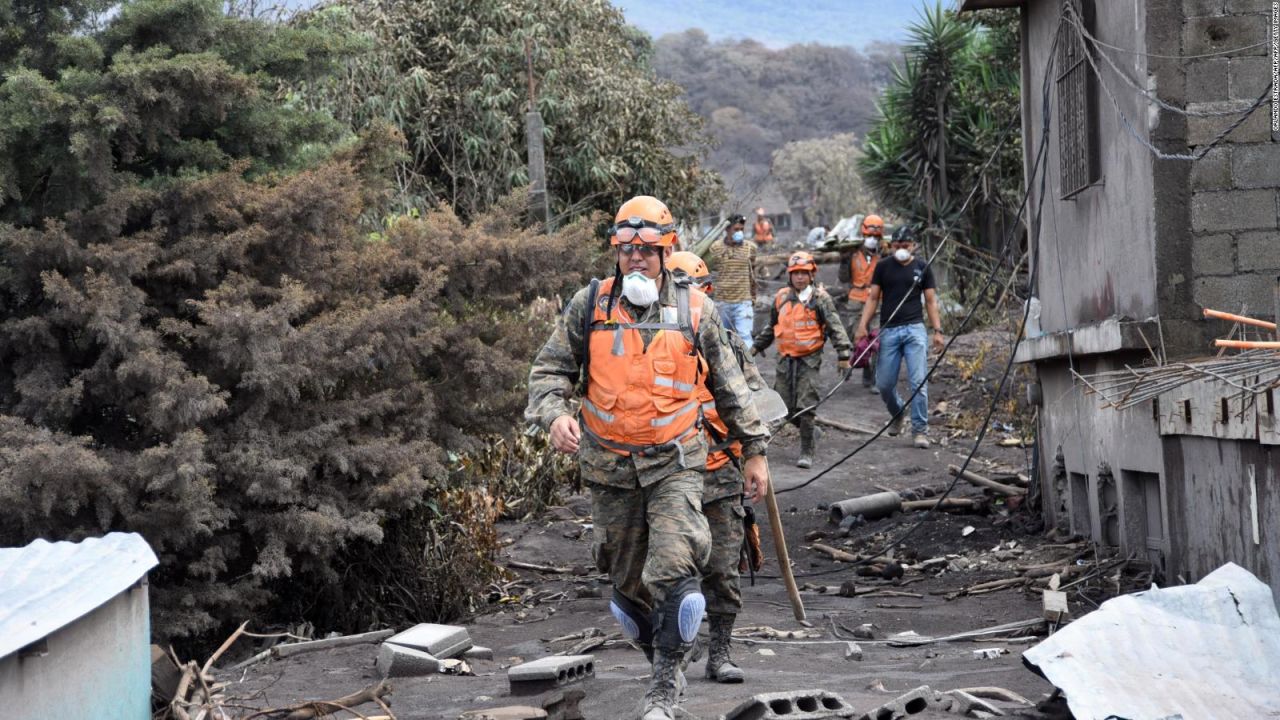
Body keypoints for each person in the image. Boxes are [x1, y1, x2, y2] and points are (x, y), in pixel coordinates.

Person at [526, 197, 770, 720]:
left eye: (648, 250)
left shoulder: (696, 311)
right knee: (626, 592)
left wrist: (754, 452)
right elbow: (548, 373)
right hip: (610, 468)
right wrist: (554, 416)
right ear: (615, 251)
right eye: (626, 250)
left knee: (676, 570)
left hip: (676, 464)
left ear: (666, 250)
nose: (636, 259)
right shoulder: (588, 305)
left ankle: (662, 689)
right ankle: (663, 660)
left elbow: (731, 389)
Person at [668, 251, 762, 684]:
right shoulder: (653, 345)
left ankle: (720, 651)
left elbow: (757, 403)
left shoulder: (731, 344)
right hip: (668, 478)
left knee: (722, 569)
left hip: (722, 471)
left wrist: (756, 455)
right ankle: (674, 654)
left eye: (692, 288)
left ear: (706, 292)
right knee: (673, 572)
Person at [752, 251, 851, 468]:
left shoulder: (820, 299)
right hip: (785, 359)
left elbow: (835, 326)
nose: (799, 277)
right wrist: (756, 347)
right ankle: (812, 430)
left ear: (812, 274)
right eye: (795, 273)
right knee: (785, 408)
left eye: (804, 273)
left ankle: (807, 450)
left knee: (806, 406)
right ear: (789, 275)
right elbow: (772, 326)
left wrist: (843, 354)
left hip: (809, 360)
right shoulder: (781, 298)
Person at [854, 225, 946, 450]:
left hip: (915, 329)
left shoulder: (922, 267)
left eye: (905, 246)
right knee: (884, 384)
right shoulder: (883, 267)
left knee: (918, 382)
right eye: (897, 246)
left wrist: (937, 331)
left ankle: (920, 430)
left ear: (913, 245)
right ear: (891, 246)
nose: (901, 249)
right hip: (889, 330)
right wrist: (862, 325)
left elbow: (931, 301)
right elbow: (873, 298)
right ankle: (898, 413)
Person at [837, 214, 884, 391]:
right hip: (855, 302)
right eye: (869, 236)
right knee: (857, 338)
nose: (872, 240)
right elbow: (842, 278)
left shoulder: (884, 256)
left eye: (876, 237)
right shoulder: (852, 254)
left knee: (877, 339)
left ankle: (873, 378)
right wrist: (843, 261)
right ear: (863, 235)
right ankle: (861, 366)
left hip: (878, 301)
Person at [707, 213, 757, 344]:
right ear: (727, 230)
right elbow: (710, 270)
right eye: (736, 229)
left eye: (741, 229)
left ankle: (747, 365)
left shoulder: (750, 248)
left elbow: (753, 272)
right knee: (723, 340)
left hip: (743, 301)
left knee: (745, 338)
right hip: (722, 302)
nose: (739, 232)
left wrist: (753, 296)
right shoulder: (716, 248)